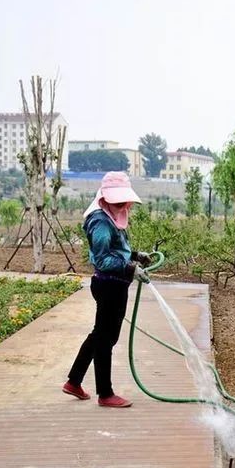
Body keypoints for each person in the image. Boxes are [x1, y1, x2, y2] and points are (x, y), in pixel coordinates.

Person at [62, 171, 152, 408]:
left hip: (115, 285)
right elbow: (102, 260)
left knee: (101, 335)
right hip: (108, 285)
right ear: (106, 198)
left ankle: (74, 381)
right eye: (119, 201)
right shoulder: (100, 221)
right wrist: (130, 268)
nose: (123, 205)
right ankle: (105, 393)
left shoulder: (112, 216)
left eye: (124, 201)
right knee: (105, 338)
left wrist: (135, 256)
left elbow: (116, 250)